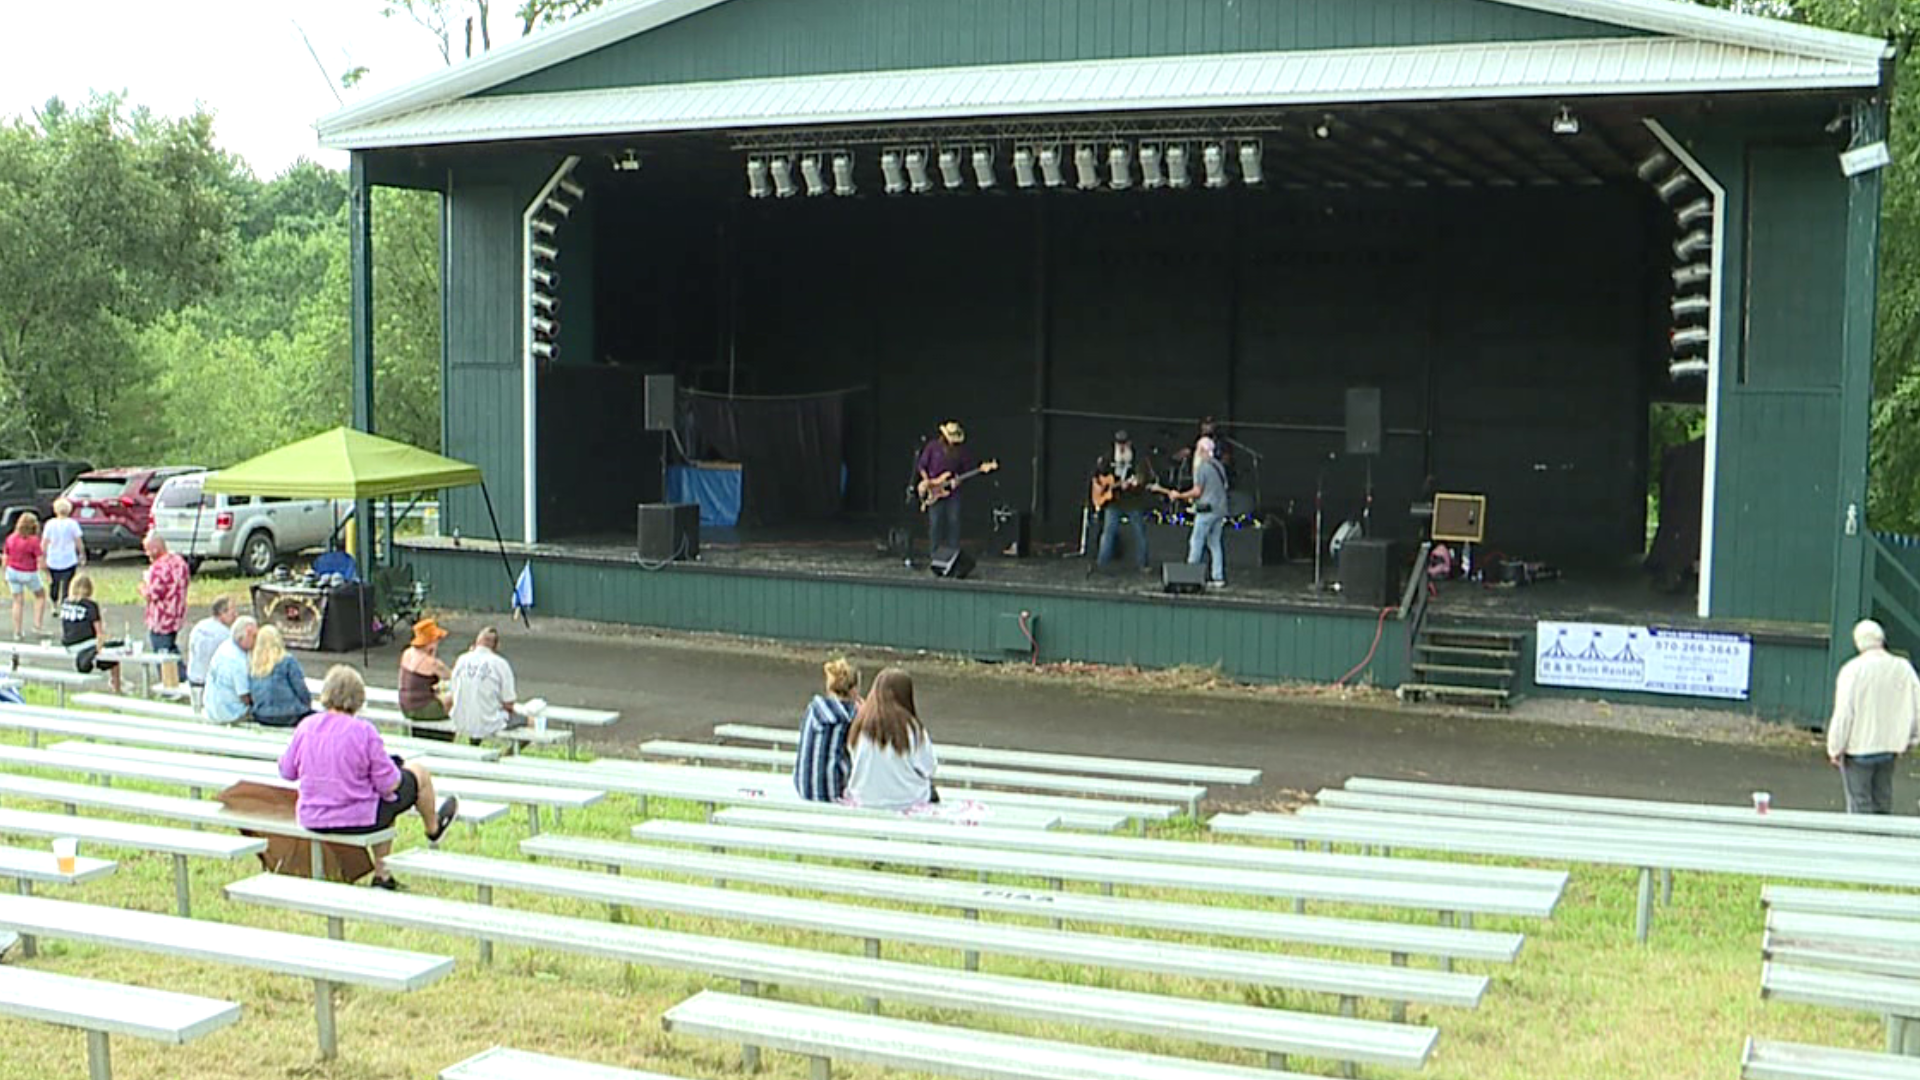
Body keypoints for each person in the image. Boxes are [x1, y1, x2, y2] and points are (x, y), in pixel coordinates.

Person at [278, 665, 459, 889]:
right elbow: (389, 783)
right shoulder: (363, 731)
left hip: (313, 816)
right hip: (358, 818)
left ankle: (385, 874)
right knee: (415, 775)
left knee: (383, 798)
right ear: (358, 698)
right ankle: (430, 831)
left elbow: (286, 771)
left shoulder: (306, 726)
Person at [1827, 618, 1920, 814]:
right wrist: (1912, 737)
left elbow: (1844, 713)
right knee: (1882, 800)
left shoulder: (1852, 670)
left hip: (1858, 749)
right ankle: (1883, 840)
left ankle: (1861, 842)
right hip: (1890, 747)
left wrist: (1835, 746)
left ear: (1858, 642)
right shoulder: (1902, 667)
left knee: (1859, 803)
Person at [843, 667, 938, 811]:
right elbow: (929, 768)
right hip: (908, 801)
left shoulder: (859, 724)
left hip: (864, 799)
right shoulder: (911, 728)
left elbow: (852, 756)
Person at [1162, 436, 1230, 589]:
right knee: (1215, 544)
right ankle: (1218, 577)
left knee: (1196, 541)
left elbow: (1197, 491)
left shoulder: (1202, 468)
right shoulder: (1219, 465)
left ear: (1202, 450)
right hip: (1220, 510)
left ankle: (1189, 576)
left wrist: (1179, 495)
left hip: (1207, 511)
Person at [794, 657, 860, 802]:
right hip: (833, 793)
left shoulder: (813, 709)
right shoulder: (852, 715)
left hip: (804, 789)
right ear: (854, 690)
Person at [914, 421, 978, 561]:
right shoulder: (932, 447)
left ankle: (953, 554)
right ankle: (934, 553)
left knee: (953, 521)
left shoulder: (961, 451)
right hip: (934, 490)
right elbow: (921, 466)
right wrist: (928, 483)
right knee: (935, 523)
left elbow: (965, 471)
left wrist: (958, 481)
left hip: (952, 492)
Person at [1091, 429, 1152, 572]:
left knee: (1139, 532)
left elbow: (1143, 477)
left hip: (1132, 500)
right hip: (1113, 501)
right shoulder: (1108, 457)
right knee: (1108, 531)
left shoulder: (1138, 459)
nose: (1122, 447)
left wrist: (1135, 484)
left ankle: (1143, 564)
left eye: (1124, 443)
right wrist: (1103, 486)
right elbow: (1097, 476)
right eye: (1119, 444)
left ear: (1130, 443)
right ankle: (1101, 564)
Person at [449, 626, 522, 743]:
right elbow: (509, 702)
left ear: (476, 642)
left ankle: (474, 747)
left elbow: (453, 690)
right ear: (497, 646)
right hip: (489, 722)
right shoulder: (500, 664)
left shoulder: (462, 660)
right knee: (529, 721)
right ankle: (509, 755)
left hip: (460, 720)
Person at [138, 533, 190, 680]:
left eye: (147, 550)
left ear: (155, 549)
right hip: (176, 614)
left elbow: (153, 594)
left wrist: (143, 588)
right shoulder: (179, 562)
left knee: (163, 653)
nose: (147, 554)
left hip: (160, 619)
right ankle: (182, 678)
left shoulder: (158, 568)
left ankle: (172, 682)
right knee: (171, 648)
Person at [57, 575, 120, 694]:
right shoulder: (91, 606)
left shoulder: (66, 603)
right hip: (86, 643)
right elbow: (99, 633)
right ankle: (116, 685)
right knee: (114, 653)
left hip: (69, 643)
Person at [247, 625, 311, 728]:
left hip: (262, 715)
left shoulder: (253, 665)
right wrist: (305, 705)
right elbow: (300, 688)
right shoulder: (287, 660)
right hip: (289, 714)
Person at [186, 596, 239, 713]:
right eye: (233, 610)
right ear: (222, 613)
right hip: (211, 686)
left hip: (194, 680)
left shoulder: (199, 627)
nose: (236, 614)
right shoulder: (226, 635)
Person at [398, 617, 454, 726]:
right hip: (423, 708)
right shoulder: (433, 663)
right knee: (456, 697)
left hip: (405, 707)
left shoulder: (407, 653)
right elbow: (452, 677)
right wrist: (433, 654)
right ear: (431, 641)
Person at [204, 616, 258, 724]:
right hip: (230, 714)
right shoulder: (238, 662)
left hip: (211, 708)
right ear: (244, 636)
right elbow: (245, 697)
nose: (257, 641)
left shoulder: (225, 646)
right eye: (254, 636)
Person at [4, 512, 46, 638]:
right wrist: (45, 572)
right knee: (40, 596)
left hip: (12, 571)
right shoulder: (33, 541)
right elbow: (40, 559)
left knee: (17, 601)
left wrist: (4, 572)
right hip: (28, 572)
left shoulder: (10, 538)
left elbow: (6, 557)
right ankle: (37, 625)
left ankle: (17, 631)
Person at [41, 498, 83, 606]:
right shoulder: (73, 524)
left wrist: (43, 556)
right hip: (69, 558)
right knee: (67, 583)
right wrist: (82, 553)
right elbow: (78, 540)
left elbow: (45, 542)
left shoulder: (49, 524)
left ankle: (54, 602)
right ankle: (65, 602)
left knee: (53, 583)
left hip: (53, 558)